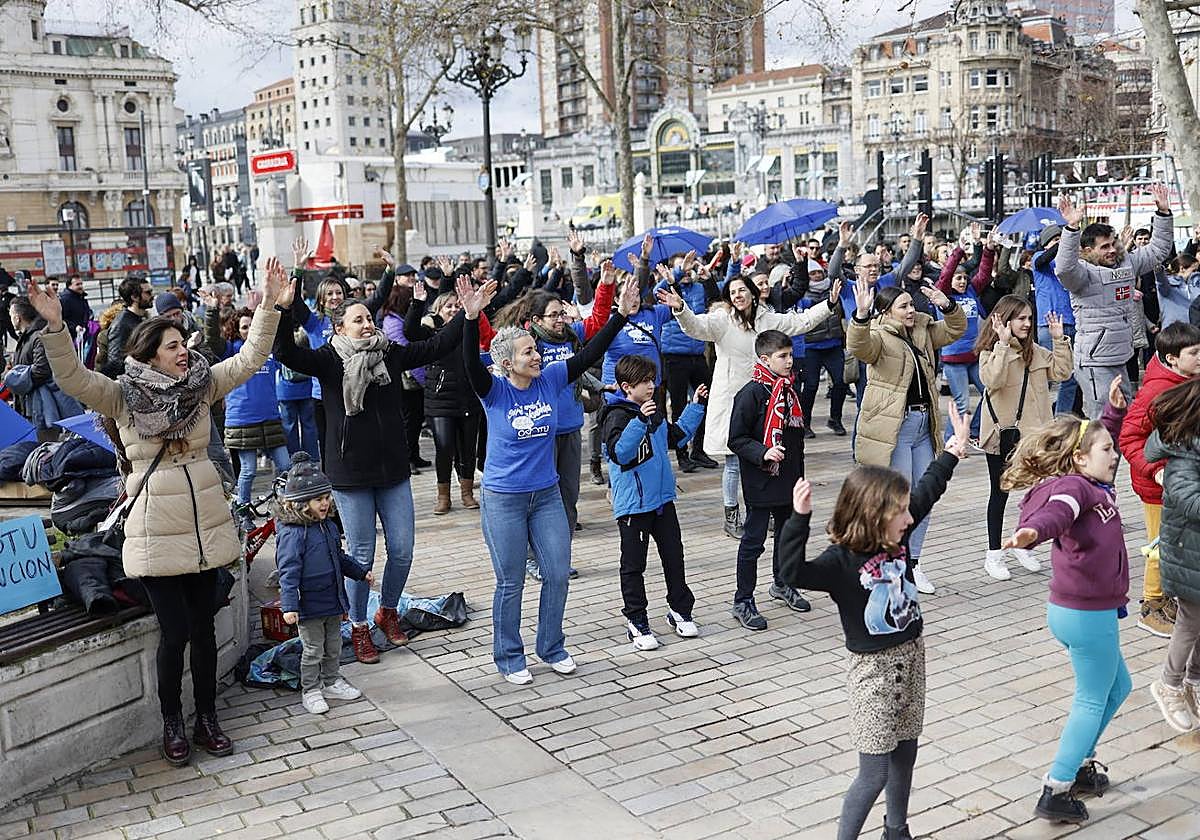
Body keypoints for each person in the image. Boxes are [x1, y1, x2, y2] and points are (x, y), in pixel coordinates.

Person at [26, 260, 290, 767]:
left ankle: (208, 718)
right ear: (149, 354)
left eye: (182, 343)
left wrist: (271, 307)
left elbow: (252, 358)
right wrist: (56, 327)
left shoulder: (201, 385)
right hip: (153, 529)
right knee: (174, 634)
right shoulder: (122, 395)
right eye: (172, 346)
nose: (183, 350)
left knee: (206, 632)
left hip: (205, 525)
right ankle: (173, 722)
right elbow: (72, 378)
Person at [777, 403, 971, 840]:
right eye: (901, 512)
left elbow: (927, 491)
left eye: (907, 511)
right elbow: (792, 574)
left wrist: (954, 452)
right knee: (875, 771)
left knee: (907, 751)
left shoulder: (896, 532)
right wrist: (799, 519)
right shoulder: (840, 562)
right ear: (875, 515)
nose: (910, 518)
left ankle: (896, 830)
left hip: (912, 658)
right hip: (874, 674)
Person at [273, 274, 472, 665]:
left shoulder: (389, 353)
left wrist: (467, 314)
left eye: (369, 318)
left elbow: (435, 345)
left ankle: (389, 610)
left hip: (393, 469)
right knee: (361, 557)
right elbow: (286, 353)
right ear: (340, 327)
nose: (367, 324)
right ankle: (361, 626)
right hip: (349, 475)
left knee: (402, 550)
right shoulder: (328, 359)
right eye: (358, 320)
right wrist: (283, 310)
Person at [464, 275, 639, 685]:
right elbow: (472, 365)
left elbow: (590, 351)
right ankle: (509, 656)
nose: (537, 354)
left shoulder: (553, 378)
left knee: (557, 573)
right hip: (503, 498)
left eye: (536, 349)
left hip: (545, 496)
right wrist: (472, 320)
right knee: (510, 581)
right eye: (528, 351)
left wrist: (619, 315)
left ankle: (551, 646)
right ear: (507, 362)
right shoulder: (493, 390)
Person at [1001, 378, 1129, 825]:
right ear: (1078, 459)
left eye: (1113, 448)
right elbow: (1056, 512)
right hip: (1086, 614)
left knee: (1119, 687)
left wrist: (1110, 413)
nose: (1114, 455)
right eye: (1107, 450)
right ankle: (1057, 787)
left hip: (1078, 610)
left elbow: (1094, 442)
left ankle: (1080, 764)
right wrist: (1033, 533)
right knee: (1093, 699)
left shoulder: (1087, 478)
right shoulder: (1074, 489)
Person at [656, 273, 838, 541]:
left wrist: (829, 304)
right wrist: (681, 308)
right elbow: (696, 327)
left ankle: (772, 510)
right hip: (732, 399)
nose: (738, 296)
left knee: (769, 454)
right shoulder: (722, 321)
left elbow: (801, 321)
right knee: (732, 461)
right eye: (733, 292)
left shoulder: (768, 319)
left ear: (753, 293)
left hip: (767, 399)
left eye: (742, 290)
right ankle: (731, 516)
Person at [846, 276, 966, 594]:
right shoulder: (877, 336)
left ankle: (912, 564)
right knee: (898, 501)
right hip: (894, 429)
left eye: (912, 304)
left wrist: (948, 306)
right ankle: (888, 564)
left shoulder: (923, 330)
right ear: (886, 312)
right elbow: (858, 346)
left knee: (925, 496)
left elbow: (956, 330)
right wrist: (859, 315)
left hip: (923, 425)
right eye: (903, 306)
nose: (911, 310)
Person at [599, 354, 704, 651]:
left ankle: (680, 610)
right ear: (625, 386)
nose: (651, 385)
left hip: (662, 501)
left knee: (674, 557)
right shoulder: (616, 414)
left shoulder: (653, 410)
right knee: (634, 565)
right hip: (633, 506)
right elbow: (620, 453)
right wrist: (640, 421)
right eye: (644, 381)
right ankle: (636, 620)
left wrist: (695, 406)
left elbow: (676, 438)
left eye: (652, 379)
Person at [977, 298, 1074, 580]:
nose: (1027, 323)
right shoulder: (991, 352)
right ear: (1004, 320)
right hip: (1002, 435)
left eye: (1029, 318)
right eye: (1020, 318)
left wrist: (1059, 341)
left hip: (1037, 435)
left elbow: (1062, 372)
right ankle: (993, 554)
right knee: (1001, 493)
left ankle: (1023, 542)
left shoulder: (1036, 352)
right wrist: (1003, 345)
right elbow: (992, 380)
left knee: (1041, 491)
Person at [1055, 187, 1172, 418]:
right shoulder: (1081, 274)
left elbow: (1159, 251)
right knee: (1104, 415)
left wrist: (1163, 213)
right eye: (1104, 247)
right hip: (1095, 360)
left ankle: (1114, 454)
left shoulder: (1127, 262)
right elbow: (1064, 268)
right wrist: (1071, 229)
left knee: (1124, 413)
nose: (1111, 250)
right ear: (1088, 251)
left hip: (1121, 355)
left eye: (1112, 244)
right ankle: (1097, 454)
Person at [724, 330, 813, 631]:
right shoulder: (751, 393)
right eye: (783, 356)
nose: (790, 361)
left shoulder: (789, 389)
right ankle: (743, 600)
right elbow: (736, 439)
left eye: (790, 355)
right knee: (753, 542)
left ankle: (782, 583)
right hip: (762, 480)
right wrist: (764, 452)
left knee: (787, 536)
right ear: (765, 359)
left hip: (789, 478)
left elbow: (796, 437)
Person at [1118, 321, 1200, 637]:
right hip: (1157, 487)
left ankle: (1174, 599)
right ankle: (1152, 606)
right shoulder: (1157, 390)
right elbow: (1129, 438)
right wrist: (1156, 470)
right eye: (1193, 353)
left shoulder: (1189, 381)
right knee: (1160, 547)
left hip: (1186, 484)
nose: (1199, 357)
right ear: (1171, 359)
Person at [276, 452, 372, 716]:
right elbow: (288, 572)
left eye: (327, 498)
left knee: (334, 646)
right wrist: (289, 606)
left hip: (333, 600)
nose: (325, 503)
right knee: (312, 649)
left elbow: (339, 558)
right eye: (319, 499)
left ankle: (331, 681)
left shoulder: (327, 526)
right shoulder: (292, 534)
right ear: (299, 503)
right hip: (308, 605)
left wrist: (360, 572)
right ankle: (311, 689)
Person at [403, 282, 489, 514]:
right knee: (444, 447)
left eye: (456, 305)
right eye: (448, 306)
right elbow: (410, 332)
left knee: (468, 448)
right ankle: (443, 496)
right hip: (440, 401)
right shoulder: (432, 332)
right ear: (438, 310)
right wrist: (417, 303)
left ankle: (467, 492)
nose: (453, 309)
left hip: (468, 398)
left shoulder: (469, 327)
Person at [1145, 378, 1200, 731]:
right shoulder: (1182, 453)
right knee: (1190, 621)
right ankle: (1169, 683)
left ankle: (1194, 682)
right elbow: (1190, 501)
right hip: (1188, 555)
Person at [204, 305, 290, 516]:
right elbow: (213, 340)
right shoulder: (232, 350)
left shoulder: (267, 349)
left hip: (271, 418)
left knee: (286, 466)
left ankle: (284, 506)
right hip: (242, 420)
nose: (249, 330)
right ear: (236, 329)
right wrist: (212, 311)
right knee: (248, 470)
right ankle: (242, 511)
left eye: (252, 325)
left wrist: (281, 308)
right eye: (244, 327)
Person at [936, 228, 998, 442]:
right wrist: (959, 251)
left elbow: (984, 274)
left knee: (991, 393)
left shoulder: (971, 291)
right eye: (958, 278)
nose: (962, 281)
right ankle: (952, 440)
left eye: (964, 278)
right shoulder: (943, 295)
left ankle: (973, 431)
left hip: (974, 355)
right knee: (962, 402)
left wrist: (988, 249)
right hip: (954, 359)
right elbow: (945, 276)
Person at [102, 276, 153, 377]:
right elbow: (115, 362)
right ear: (134, 297)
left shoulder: (141, 318)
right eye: (148, 293)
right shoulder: (121, 324)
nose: (153, 295)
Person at [59, 274, 90, 339]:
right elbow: (62, 319)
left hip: (82, 333)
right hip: (71, 336)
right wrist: (74, 327)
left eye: (81, 284)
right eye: (77, 284)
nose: (81, 286)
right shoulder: (65, 299)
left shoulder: (81, 297)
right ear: (69, 286)